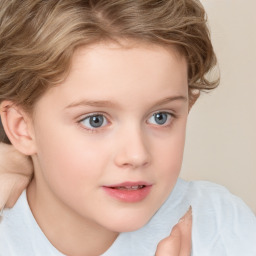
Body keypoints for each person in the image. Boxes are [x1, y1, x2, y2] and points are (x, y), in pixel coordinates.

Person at [0, 0, 255, 255]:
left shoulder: (221, 226)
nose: (137, 155)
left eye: (160, 117)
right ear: (21, 127)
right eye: (95, 120)